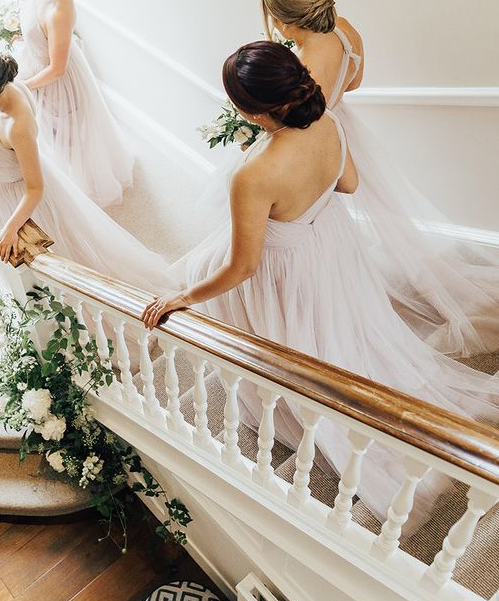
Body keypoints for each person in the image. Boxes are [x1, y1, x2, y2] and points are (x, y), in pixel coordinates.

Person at [142, 42, 497, 523]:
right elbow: (347, 185)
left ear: (249, 108)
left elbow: (243, 266)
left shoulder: (253, 174)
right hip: (329, 246)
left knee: (254, 310)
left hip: (287, 268)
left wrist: (183, 296)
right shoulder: (328, 121)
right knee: (341, 329)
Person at [260, 0, 499, 358]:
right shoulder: (344, 28)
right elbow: (354, 82)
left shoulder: (305, 56)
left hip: (316, 141)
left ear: (285, 21)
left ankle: (327, 298)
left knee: (309, 221)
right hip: (344, 126)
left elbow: (300, 117)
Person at [0, 48, 171, 295]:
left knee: (61, 263)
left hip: (17, 198)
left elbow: (35, 189)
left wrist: (10, 228)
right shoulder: (8, 92)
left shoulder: (18, 125)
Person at [14, 0, 134, 207]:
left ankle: (87, 187)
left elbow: (57, 69)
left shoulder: (58, 8)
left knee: (67, 138)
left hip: (55, 81)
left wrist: (23, 86)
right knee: (49, 135)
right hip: (37, 68)